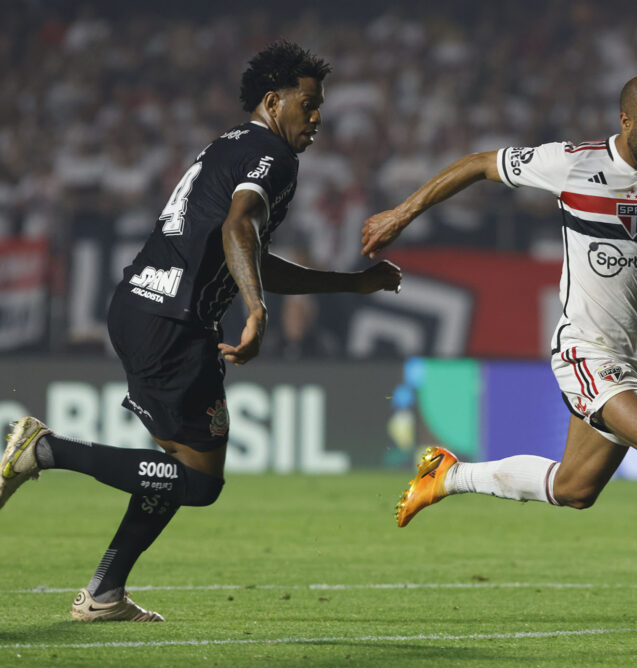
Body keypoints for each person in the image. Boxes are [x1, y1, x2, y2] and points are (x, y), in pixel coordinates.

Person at [361, 71, 637, 626]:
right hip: (585, 353)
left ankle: (448, 475)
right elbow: (478, 163)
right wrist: (402, 213)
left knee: (574, 489)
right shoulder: (572, 163)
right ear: (626, 121)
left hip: (636, 361)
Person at [0, 40, 401, 622]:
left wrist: (350, 285)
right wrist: (257, 312)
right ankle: (44, 450)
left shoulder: (230, 144)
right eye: (308, 105)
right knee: (198, 481)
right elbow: (240, 227)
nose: (317, 119)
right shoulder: (274, 158)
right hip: (173, 323)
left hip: (143, 306)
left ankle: (105, 593)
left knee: (179, 463)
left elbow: (248, 249)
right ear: (273, 100)